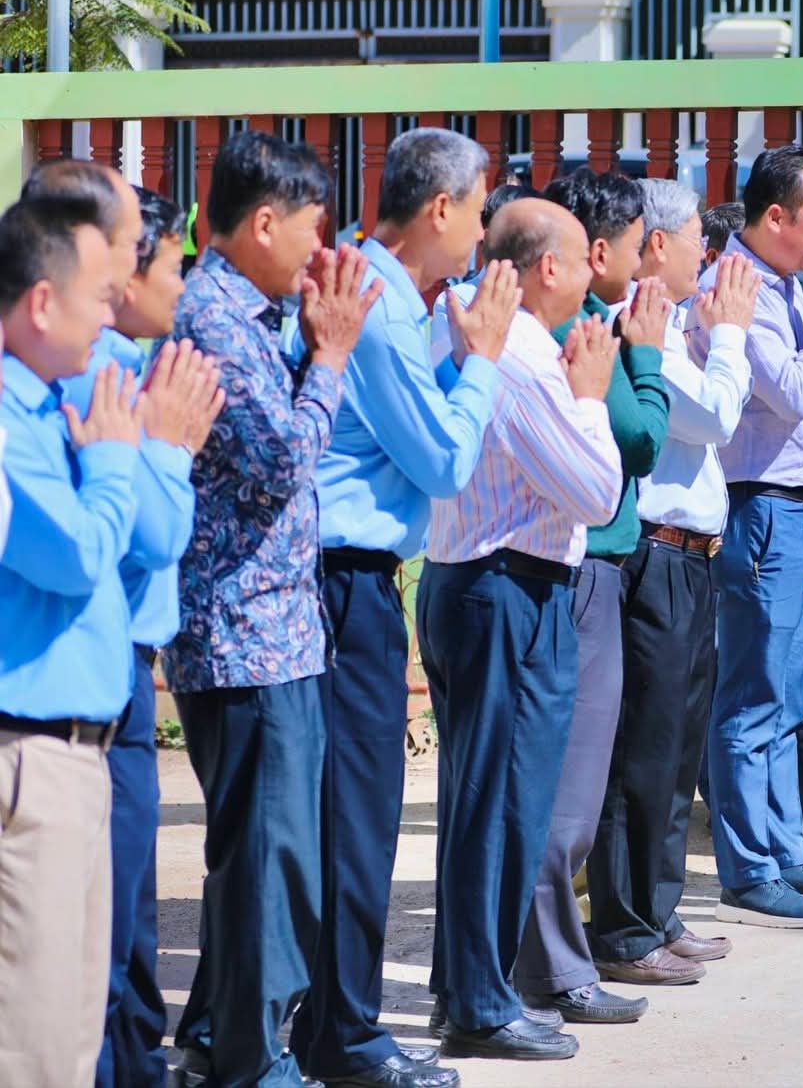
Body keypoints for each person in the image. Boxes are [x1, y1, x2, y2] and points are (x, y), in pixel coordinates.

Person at [283, 126, 514, 1088]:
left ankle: (308, 1024)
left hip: (348, 580)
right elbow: (446, 461)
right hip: (341, 584)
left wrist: (459, 359)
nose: (483, 234)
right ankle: (343, 1033)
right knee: (355, 816)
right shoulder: (377, 307)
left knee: (338, 812)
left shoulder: (388, 296)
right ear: (439, 209)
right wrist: (483, 359)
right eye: (479, 211)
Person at [167, 131, 380, 1086]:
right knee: (269, 864)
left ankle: (222, 1038)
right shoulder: (212, 319)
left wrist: (309, 336)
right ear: (262, 223)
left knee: (263, 857)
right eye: (310, 227)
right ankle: (254, 1063)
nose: (318, 248)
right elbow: (284, 460)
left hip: (275, 632)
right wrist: (331, 355)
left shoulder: (244, 312)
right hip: (246, 637)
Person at [419, 198, 621, 1061]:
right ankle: (480, 1003)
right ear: (547, 269)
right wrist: (591, 399)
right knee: (503, 805)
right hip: (506, 590)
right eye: (582, 260)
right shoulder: (529, 356)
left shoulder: (462, 324)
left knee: (485, 802)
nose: (593, 277)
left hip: (477, 582)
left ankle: (468, 989)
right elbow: (597, 495)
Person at [64, 185, 223, 1088]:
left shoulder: (129, 362)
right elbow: (156, 534)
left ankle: (136, 1058)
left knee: (129, 899)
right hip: (100, 665)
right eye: (167, 264)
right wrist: (168, 448)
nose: (179, 284)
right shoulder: (106, 376)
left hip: (125, 661)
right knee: (109, 904)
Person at [516, 169, 675, 1026]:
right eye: (637, 246)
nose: (647, 264)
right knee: (568, 797)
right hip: (579, 572)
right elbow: (638, 443)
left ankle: (536, 963)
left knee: (566, 788)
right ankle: (551, 971)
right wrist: (645, 359)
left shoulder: (569, 322)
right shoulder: (581, 328)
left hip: (582, 570)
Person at [586, 181, 756, 984]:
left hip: (692, 556)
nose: (707, 254)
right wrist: (733, 336)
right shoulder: (636, 325)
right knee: (642, 749)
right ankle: (623, 930)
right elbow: (716, 416)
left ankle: (657, 909)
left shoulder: (678, 324)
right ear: (655, 243)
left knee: (678, 748)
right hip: (651, 557)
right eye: (696, 239)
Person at [697, 144, 803, 930]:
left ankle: (787, 852)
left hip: (800, 507)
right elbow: (794, 392)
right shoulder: (738, 289)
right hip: (761, 506)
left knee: (788, 697)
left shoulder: (789, 287)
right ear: (776, 217)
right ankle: (749, 869)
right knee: (752, 696)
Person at [0, 192, 150, 1088]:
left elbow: (151, 537)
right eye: (99, 294)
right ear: (41, 302)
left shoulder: (63, 403)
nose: (113, 309)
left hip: (78, 754)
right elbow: (77, 554)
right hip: (31, 759)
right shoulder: (12, 422)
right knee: (36, 1046)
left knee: (72, 1031)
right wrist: (115, 461)